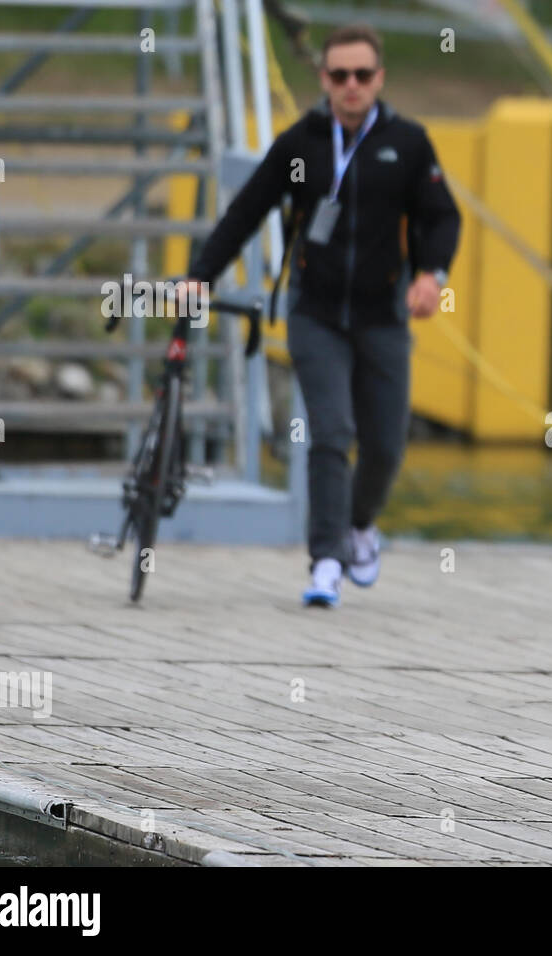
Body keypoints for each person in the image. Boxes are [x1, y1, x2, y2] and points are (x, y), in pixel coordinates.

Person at [183, 24, 460, 607]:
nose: (351, 86)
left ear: (379, 79)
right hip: (316, 312)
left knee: (385, 446)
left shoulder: (407, 144)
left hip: (384, 312)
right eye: (340, 75)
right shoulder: (300, 146)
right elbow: (245, 213)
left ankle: (361, 523)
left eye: (362, 75)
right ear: (324, 79)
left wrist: (433, 275)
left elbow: (442, 216)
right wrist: (199, 277)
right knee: (330, 433)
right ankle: (326, 563)